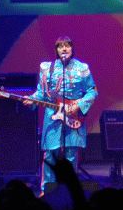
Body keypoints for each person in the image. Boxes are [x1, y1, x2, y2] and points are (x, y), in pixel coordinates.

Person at [24, 36, 97, 187]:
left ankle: (70, 189)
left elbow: (92, 91)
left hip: (73, 115)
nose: (64, 49)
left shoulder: (82, 68)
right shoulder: (47, 68)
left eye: (67, 45)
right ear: (56, 50)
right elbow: (41, 93)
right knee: (50, 155)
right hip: (53, 115)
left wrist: (79, 105)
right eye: (60, 46)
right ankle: (47, 189)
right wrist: (32, 99)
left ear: (72, 48)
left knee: (71, 155)